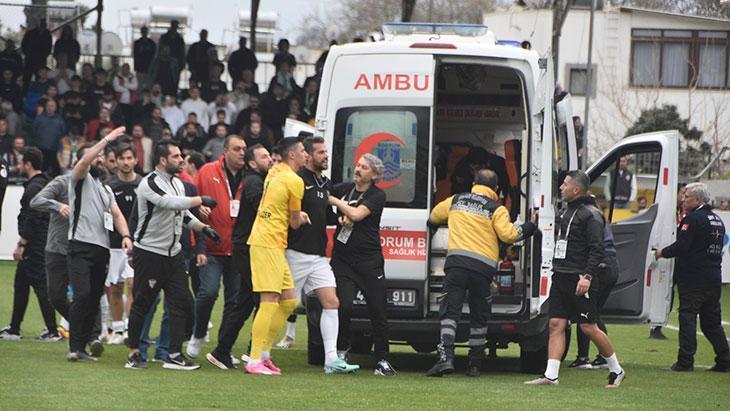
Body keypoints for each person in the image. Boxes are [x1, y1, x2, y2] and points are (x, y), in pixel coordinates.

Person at [426, 169, 537, 377]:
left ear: (474, 183)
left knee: (450, 313)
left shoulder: (456, 200)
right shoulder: (497, 209)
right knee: (479, 315)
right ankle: (475, 364)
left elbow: (433, 217)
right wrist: (530, 226)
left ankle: (445, 358)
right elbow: (509, 235)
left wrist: (436, 226)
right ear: (495, 189)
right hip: (481, 271)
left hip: (456, 266)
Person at [124, 141, 220, 370]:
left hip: (174, 255)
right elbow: (168, 203)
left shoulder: (177, 183)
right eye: (176, 156)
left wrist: (202, 228)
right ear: (162, 160)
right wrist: (201, 200)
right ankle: (134, 353)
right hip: (149, 253)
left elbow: (182, 213)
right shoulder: (149, 183)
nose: (182, 159)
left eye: (182, 155)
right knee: (143, 304)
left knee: (182, 304)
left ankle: (174, 354)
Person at [525, 170, 625, 387]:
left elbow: (596, 250)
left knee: (588, 327)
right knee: (555, 324)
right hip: (561, 275)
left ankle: (616, 370)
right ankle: (551, 376)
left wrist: (587, 276)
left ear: (576, 189)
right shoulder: (568, 210)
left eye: (565, 184)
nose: (561, 187)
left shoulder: (592, 215)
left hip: (580, 278)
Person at [282, 137, 361, 373]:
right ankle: (259, 352)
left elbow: (323, 215)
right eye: (320, 152)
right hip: (295, 252)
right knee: (284, 305)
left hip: (317, 256)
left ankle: (331, 360)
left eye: (326, 152)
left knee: (332, 302)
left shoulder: (324, 183)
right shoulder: (297, 180)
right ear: (307, 155)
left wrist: (339, 219)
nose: (325, 156)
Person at [65, 127, 133, 362]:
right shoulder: (79, 179)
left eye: (103, 158)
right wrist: (106, 140)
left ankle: (81, 347)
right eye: (98, 157)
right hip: (80, 246)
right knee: (82, 295)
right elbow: (85, 159)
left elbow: (117, 215)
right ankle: (74, 347)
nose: (102, 160)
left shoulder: (106, 189)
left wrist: (126, 236)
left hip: (101, 250)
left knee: (94, 299)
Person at [244, 136, 310, 375]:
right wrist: (300, 217)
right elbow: (294, 222)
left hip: (270, 243)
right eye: (303, 151)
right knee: (269, 299)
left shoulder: (275, 171)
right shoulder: (295, 180)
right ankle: (253, 360)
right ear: (292, 155)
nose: (307, 155)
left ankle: (263, 354)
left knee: (290, 300)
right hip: (267, 243)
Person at [327, 153, 396, 376]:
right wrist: (338, 216)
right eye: (358, 165)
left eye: (364, 168)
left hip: (369, 261)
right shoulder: (345, 188)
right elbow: (324, 193)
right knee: (343, 305)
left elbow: (356, 214)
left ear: (374, 175)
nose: (358, 169)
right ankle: (341, 351)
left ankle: (383, 360)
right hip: (343, 260)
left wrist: (338, 204)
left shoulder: (377, 195)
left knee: (378, 310)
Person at [206, 144, 272, 369]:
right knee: (260, 299)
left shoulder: (254, 179)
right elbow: (257, 202)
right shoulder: (254, 181)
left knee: (245, 302)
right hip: (247, 247)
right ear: (253, 163)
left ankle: (223, 351)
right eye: (264, 157)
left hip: (247, 246)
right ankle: (255, 352)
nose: (270, 159)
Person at [654, 182, 730, 372]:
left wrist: (661, 252)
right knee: (711, 323)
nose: (683, 199)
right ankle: (725, 360)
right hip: (713, 277)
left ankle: (685, 361)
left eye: (686, 197)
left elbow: (682, 246)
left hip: (694, 278)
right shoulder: (716, 219)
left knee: (687, 318)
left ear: (696, 200)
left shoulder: (693, 219)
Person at [186, 136, 246, 358]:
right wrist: (199, 247)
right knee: (208, 292)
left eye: (244, 149)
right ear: (225, 151)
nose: (242, 153)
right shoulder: (208, 171)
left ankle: (224, 347)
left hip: (238, 249)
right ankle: (199, 333)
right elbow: (193, 205)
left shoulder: (248, 176)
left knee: (234, 300)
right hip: (211, 246)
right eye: (237, 149)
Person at [0, 148, 59, 341]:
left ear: (28, 164)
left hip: (34, 244)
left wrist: (22, 243)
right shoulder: (45, 184)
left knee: (41, 285)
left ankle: (52, 330)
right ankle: (15, 328)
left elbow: (32, 218)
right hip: (41, 241)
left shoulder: (34, 188)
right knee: (21, 283)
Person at [567, 195, 619, 369]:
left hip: (601, 266)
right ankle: (600, 356)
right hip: (609, 264)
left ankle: (585, 357)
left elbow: (594, 248)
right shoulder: (598, 214)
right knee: (592, 313)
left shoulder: (590, 217)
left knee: (587, 313)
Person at [104, 144, 143, 344]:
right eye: (122, 158)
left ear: (135, 160)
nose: (126, 162)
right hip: (113, 244)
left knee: (133, 285)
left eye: (129, 158)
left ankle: (130, 327)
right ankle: (117, 329)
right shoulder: (109, 186)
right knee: (115, 287)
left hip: (138, 244)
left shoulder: (143, 183)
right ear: (116, 161)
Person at [33, 99, 65, 176]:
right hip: (41, 149)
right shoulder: (39, 118)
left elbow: (62, 135)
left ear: (55, 107)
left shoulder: (60, 120)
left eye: (52, 106)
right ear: (45, 107)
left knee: (55, 172)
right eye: (48, 106)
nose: (50, 108)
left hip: (54, 150)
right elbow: (34, 131)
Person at [21, 18, 52, 91]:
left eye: (44, 23)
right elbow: (24, 45)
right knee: (27, 79)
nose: (43, 25)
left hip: (41, 60)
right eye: (41, 23)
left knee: (40, 79)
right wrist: (27, 54)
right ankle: (25, 94)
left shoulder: (47, 34)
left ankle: (39, 93)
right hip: (30, 60)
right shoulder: (30, 33)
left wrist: (44, 55)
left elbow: (49, 47)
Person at [133, 26, 157, 92]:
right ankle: (139, 100)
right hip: (139, 68)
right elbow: (135, 56)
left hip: (149, 68)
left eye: (145, 31)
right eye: (143, 31)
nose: (144, 33)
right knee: (139, 86)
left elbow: (154, 56)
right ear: (141, 32)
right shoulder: (137, 43)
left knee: (149, 86)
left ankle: (148, 100)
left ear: (147, 32)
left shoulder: (152, 43)